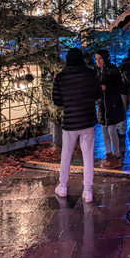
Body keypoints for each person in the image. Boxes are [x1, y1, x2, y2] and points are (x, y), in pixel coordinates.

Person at [52, 48, 102, 202]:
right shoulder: (90, 74)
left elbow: (57, 101)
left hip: (70, 121)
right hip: (87, 120)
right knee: (88, 156)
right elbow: (98, 94)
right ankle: (87, 191)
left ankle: (63, 186)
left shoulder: (60, 77)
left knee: (66, 154)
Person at [95, 49, 125, 169]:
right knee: (104, 131)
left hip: (112, 104)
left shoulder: (113, 70)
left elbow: (120, 86)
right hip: (102, 105)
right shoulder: (97, 71)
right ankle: (108, 155)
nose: (98, 61)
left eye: (100, 58)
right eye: (96, 59)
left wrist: (107, 88)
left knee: (112, 131)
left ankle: (116, 156)